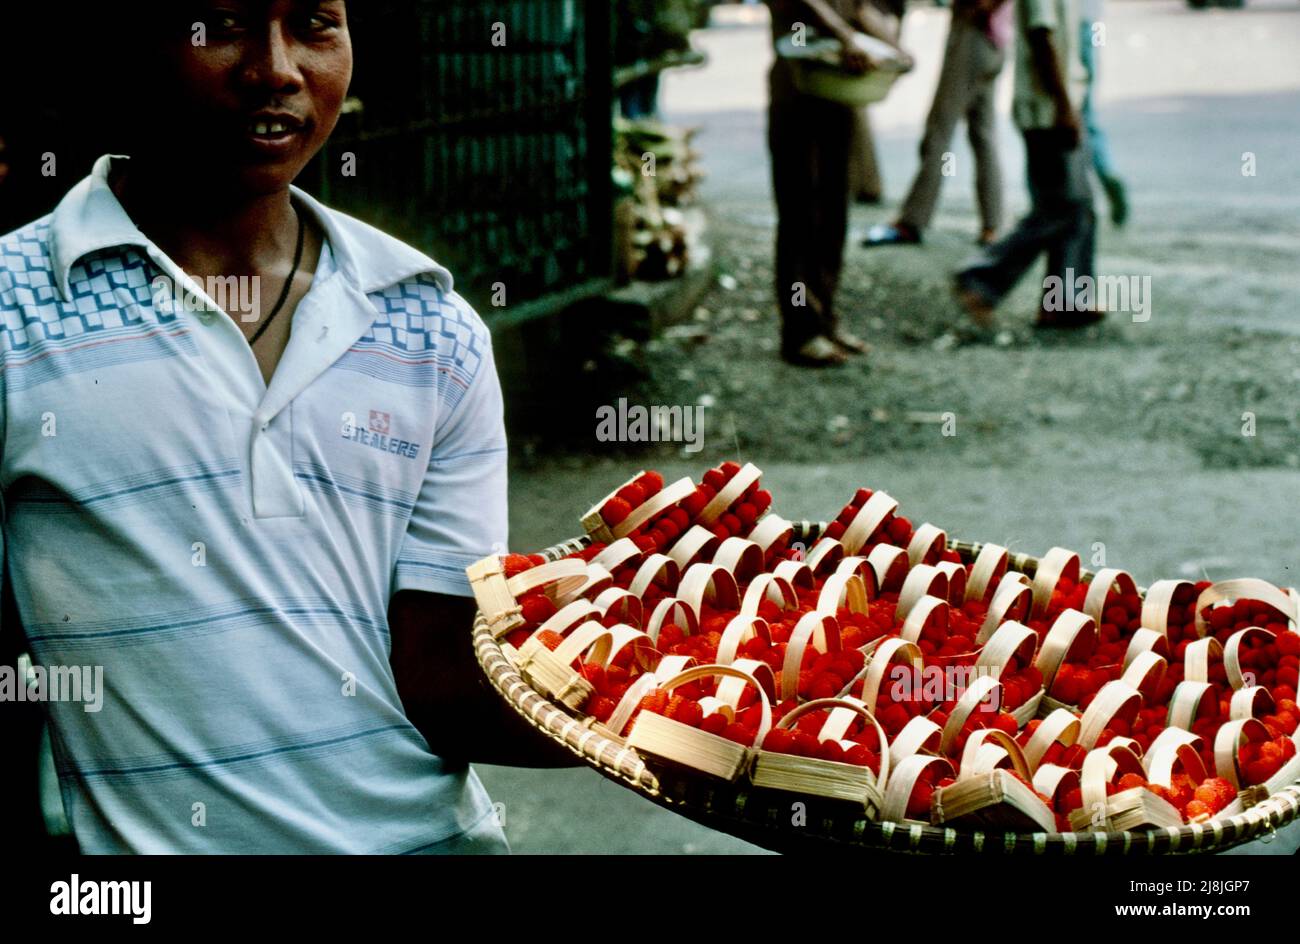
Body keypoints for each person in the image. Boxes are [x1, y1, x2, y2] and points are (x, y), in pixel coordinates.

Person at [0, 0, 574, 855]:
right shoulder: (17, 310)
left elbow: (438, 675)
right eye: (224, 23)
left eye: (315, 23)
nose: (277, 69)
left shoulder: (428, 324)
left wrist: (675, 718)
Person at [768, 0, 911, 366]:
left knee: (833, 211)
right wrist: (846, 36)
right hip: (799, 83)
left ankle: (825, 319)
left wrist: (893, 49)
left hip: (838, 87)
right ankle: (800, 330)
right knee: (800, 213)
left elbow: (859, 5)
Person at [953, 0, 1100, 329]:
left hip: (1060, 102)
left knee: (1077, 205)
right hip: (1045, 107)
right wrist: (1062, 105)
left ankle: (1063, 300)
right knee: (1062, 206)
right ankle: (981, 278)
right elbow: (1041, 36)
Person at [863, 0, 1011, 247]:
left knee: (940, 131)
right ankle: (993, 224)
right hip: (992, 38)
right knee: (983, 135)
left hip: (973, 33)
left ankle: (913, 219)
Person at [1078, 0, 1128, 226]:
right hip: (1088, 24)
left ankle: (1077, 197)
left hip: (1066, 27)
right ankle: (1106, 172)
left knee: (1066, 119)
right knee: (1085, 115)